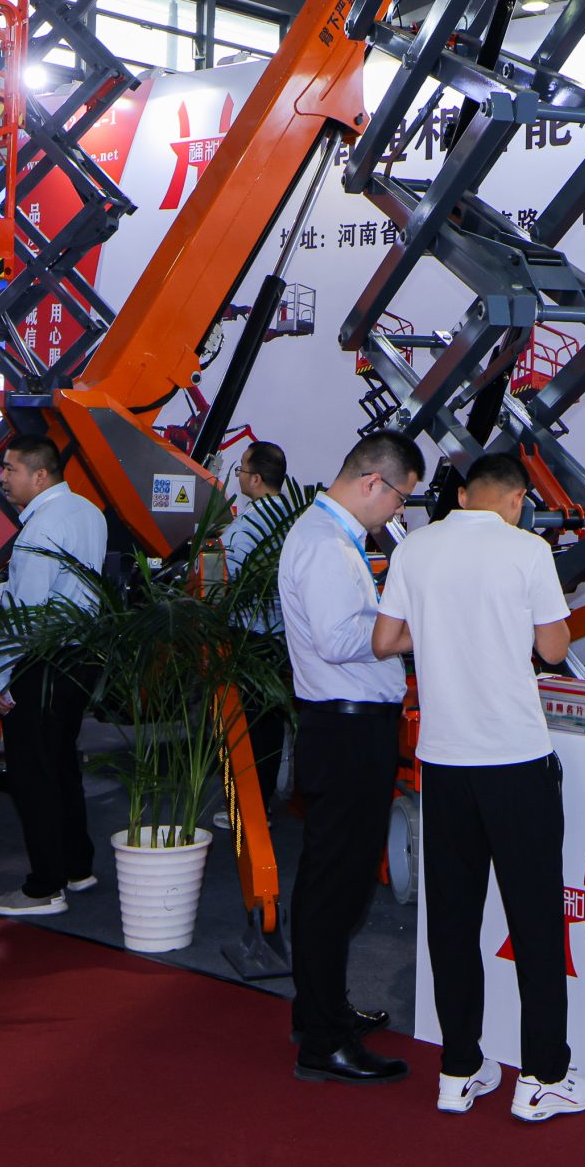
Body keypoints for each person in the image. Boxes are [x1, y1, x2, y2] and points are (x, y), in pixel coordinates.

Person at [372, 450, 585, 1122]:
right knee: (535, 921)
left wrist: (440, 631)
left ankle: (459, 1068)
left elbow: (385, 640)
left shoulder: (415, 549)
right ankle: (543, 1076)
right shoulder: (527, 550)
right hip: (516, 761)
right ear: (517, 500)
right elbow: (554, 649)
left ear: (464, 494)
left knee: (451, 921)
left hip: (444, 764)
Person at [279, 429, 423, 1084]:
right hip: (345, 730)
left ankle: (322, 1011)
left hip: (346, 728)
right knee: (335, 885)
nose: (397, 511)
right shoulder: (323, 543)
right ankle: (324, 1038)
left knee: (333, 881)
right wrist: (418, 627)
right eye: (400, 498)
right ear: (373, 482)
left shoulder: (332, 538)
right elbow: (340, 639)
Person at [0, 435, 109, 919]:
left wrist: (0, 678)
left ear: (40, 475)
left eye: (10, 469)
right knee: (60, 765)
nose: (3, 478)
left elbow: (25, 615)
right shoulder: (88, 513)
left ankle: (44, 888)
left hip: (41, 661)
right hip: (79, 658)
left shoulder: (40, 528)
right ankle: (76, 867)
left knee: (33, 775)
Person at [221, 438, 297, 820]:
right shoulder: (296, 519)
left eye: (241, 470)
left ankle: (247, 813)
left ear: (255, 479)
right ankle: (262, 805)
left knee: (246, 728)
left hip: (249, 636)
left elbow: (224, 580)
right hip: (285, 637)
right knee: (269, 723)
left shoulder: (247, 525)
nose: (238, 476)